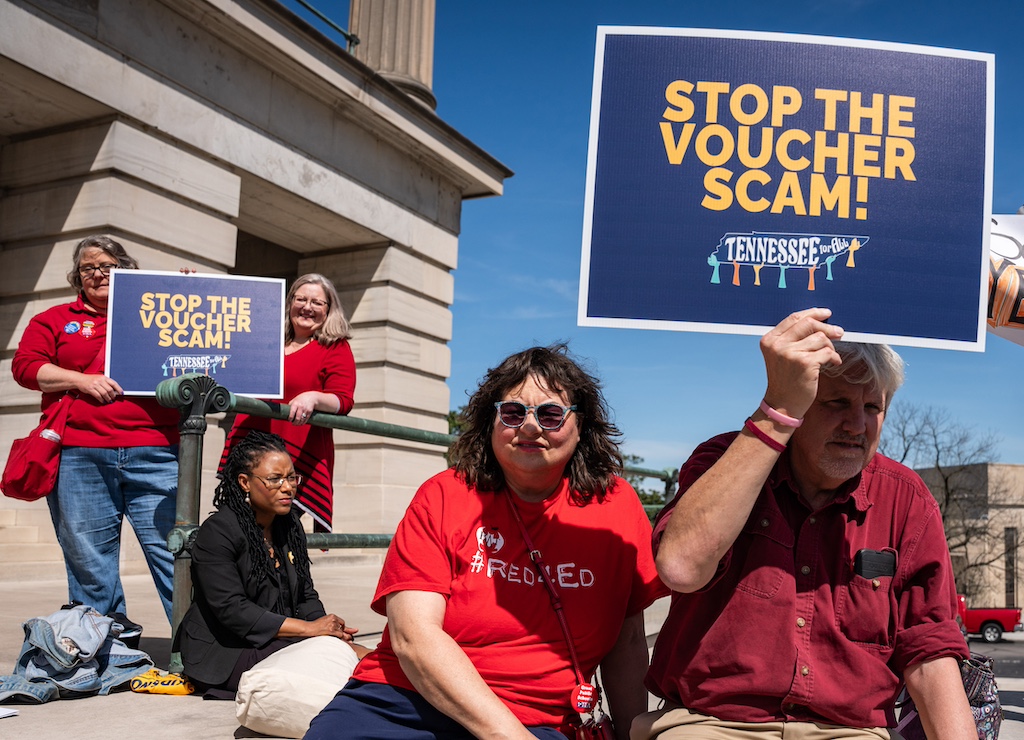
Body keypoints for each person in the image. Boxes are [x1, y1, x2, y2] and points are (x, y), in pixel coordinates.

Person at [635, 308, 976, 740]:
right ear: (799, 401)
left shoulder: (906, 498)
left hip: (848, 731)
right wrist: (776, 411)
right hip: (709, 722)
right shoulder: (721, 461)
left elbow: (929, 651)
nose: (857, 424)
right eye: (837, 403)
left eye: (873, 407)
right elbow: (681, 568)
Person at [306, 344, 667, 740]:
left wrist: (630, 734)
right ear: (490, 421)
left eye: (550, 414)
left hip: (539, 718)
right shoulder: (443, 495)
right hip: (404, 698)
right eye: (513, 412)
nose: (530, 427)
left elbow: (628, 640)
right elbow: (413, 638)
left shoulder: (616, 505)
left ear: (580, 427)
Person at [11, 235, 180, 624]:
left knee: (177, 554)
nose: (98, 273)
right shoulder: (53, 319)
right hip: (79, 453)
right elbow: (25, 367)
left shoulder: (157, 312)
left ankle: (197, 647)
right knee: (90, 563)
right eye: (88, 267)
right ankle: (107, 646)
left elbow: (203, 338)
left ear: (126, 270)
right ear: (78, 276)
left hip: (156, 450)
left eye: (108, 266)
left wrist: (188, 294)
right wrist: (80, 380)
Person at [176, 431, 367, 698]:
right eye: (275, 479)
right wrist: (309, 630)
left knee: (349, 652)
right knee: (337, 661)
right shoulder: (219, 531)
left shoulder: (288, 526)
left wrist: (325, 629)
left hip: (277, 638)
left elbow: (305, 595)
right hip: (225, 650)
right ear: (245, 482)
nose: (287, 487)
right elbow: (232, 609)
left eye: (291, 478)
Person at [221, 273, 355, 532]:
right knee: (236, 531)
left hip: (295, 456)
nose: (307, 307)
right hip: (248, 448)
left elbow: (343, 400)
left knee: (278, 536)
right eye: (301, 299)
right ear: (290, 302)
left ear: (329, 309)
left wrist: (313, 397)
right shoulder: (265, 339)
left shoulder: (335, 347)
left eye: (317, 302)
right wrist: (192, 287)